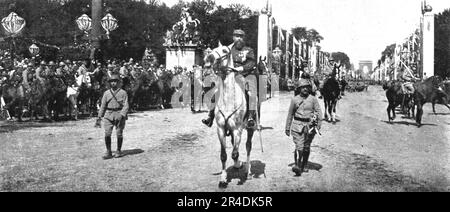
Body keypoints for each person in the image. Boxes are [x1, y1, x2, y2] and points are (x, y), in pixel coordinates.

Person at [202, 29, 257, 128]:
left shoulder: (248, 50)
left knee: (251, 94)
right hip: (228, 75)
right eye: (237, 36)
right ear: (233, 37)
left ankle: (250, 117)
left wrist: (241, 68)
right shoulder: (227, 49)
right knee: (216, 91)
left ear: (244, 38)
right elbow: (218, 60)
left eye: (241, 36)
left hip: (243, 75)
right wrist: (218, 70)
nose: (239, 38)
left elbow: (251, 63)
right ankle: (210, 116)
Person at [285, 79, 322, 176]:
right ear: (299, 88)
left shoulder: (313, 99)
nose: (305, 89)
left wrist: (318, 125)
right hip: (297, 126)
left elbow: (319, 112)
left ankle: (304, 164)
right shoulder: (294, 99)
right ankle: (297, 165)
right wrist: (287, 127)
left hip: (309, 127)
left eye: (307, 87)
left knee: (306, 147)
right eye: (303, 87)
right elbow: (290, 114)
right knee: (299, 146)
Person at [96, 74, 129, 160]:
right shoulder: (106, 93)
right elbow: (103, 105)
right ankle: (108, 151)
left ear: (118, 83)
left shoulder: (123, 93)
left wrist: (122, 115)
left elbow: (126, 105)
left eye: (115, 81)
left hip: (119, 114)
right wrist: (99, 117)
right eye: (111, 82)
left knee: (119, 133)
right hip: (108, 114)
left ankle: (118, 150)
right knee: (107, 133)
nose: (113, 83)